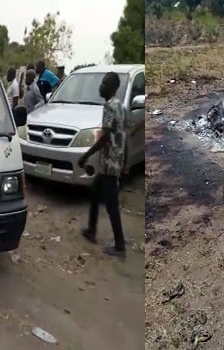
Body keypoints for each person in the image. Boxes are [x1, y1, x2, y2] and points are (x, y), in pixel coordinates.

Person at [78, 72, 126, 258]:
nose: (100, 86)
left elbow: (105, 138)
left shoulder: (109, 107)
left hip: (109, 163)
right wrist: (126, 161)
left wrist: (86, 155)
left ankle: (120, 245)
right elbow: (124, 135)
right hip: (116, 160)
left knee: (111, 204)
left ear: (112, 87)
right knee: (95, 192)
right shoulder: (121, 106)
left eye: (104, 83)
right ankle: (91, 229)